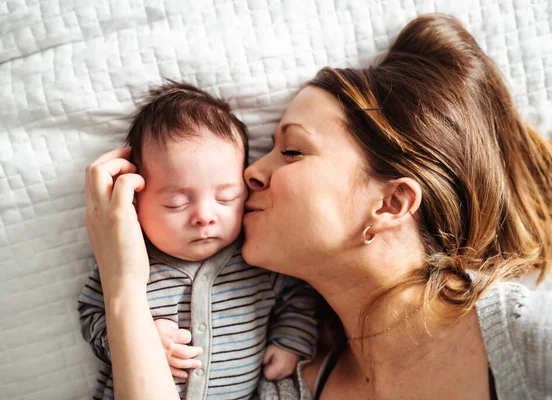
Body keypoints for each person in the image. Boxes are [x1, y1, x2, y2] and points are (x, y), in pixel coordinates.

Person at [82, 13, 552, 400]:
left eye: (291, 151)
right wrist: (122, 285)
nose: (249, 174)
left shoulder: (530, 339)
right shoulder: (277, 387)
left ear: (390, 203)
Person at [78, 82, 318, 400]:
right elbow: (91, 314)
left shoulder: (256, 260)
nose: (204, 216)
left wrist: (290, 342)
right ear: (137, 199)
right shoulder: (128, 258)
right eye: (177, 202)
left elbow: (299, 296)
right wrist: (139, 341)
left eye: (226, 197)